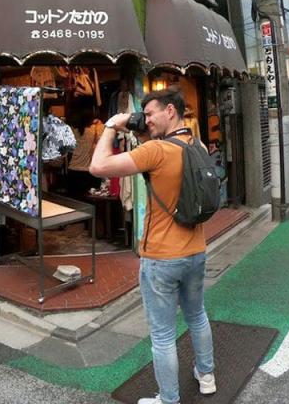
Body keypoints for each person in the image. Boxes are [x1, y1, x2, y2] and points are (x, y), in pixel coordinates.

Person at [90, 88, 215, 404]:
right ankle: (207, 376)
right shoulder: (196, 145)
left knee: (162, 335)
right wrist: (138, 127)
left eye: (150, 114)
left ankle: (169, 399)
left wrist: (110, 127)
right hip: (196, 251)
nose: (145, 120)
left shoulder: (157, 152)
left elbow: (98, 167)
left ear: (170, 111)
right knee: (197, 315)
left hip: (161, 258)